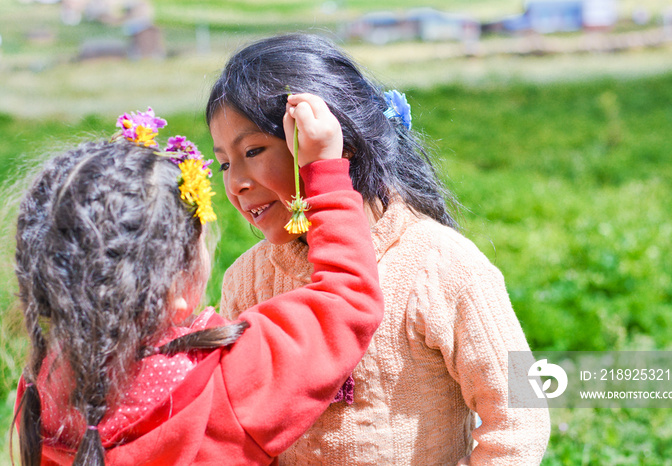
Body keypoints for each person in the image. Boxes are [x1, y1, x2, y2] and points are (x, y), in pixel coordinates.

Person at [207, 33, 551, 465]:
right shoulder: (246, 281)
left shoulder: (442, 266)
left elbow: (520, 418)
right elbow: (234, 425)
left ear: (336, 143)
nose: (235, 181)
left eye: (253, 150)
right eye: (224, 161)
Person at [13, 101, 383, 465]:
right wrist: (324, 170)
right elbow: (347, 298)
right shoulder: (224, 380)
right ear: (174, 288)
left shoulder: (42, 393)